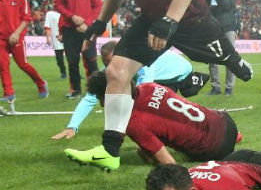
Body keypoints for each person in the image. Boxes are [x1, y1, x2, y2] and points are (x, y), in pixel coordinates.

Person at [57, 0, 251, 171]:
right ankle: (110, 150)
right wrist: (101, 21)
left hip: (189, 15)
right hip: (152, 15)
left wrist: (169, 21)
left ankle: (235, 60)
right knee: (116, 71)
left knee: (227, 60)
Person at [77, 72, 236, 167]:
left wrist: (151, 156)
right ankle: (237, 136)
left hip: (215, 148)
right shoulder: (149, 86)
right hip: (226, 122)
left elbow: (169, 163)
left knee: (147, 151)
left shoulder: (134, 122)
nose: (102, 104)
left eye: (101, 98)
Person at [51, 40, 199, 140]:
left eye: (112, 63)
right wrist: (72, 126)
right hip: (159, 75)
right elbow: (90, 97)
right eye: (107, 64)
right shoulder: (113, 67)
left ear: (122, 55)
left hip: (178, 74)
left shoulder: (143, 62)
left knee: (158, 108)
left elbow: (144, 94)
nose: (110, 68)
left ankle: (194, 131)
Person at [54, 0, 101, 98]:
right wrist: (72, 16)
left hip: (87, 30)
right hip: (69, 30)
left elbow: (98, 7)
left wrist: (87, 23)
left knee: (91, 60)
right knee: (72, 61)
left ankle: (95, 90)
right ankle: (75, 90)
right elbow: (58, 5)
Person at [0, 0, 48, 102]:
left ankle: (41, 84)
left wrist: (16, 33)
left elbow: (26, 18)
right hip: (1, 39)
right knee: (2, 65)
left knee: (23, 64)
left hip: (17, 38)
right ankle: (9, 93)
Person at [202, 0, 238, 96]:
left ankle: (229, 88)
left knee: (229, 56)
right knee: (212, 58)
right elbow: (203, 6)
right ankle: (215, 87)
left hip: (228, 26)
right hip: (211, 25)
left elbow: (229, 6)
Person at [43, 8, 67, 81]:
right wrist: (48, 37)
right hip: (57, 39)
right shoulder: (50, 14)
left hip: (68, 37)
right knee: (59, 59)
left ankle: (76, 73)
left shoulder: (67, 12)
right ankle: (63, 73)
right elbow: (47, 27)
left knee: (73, 57)